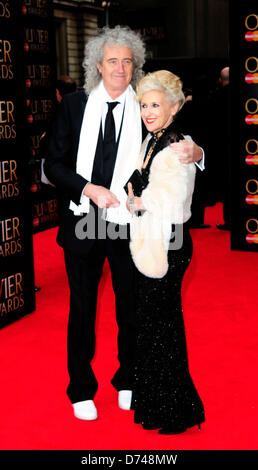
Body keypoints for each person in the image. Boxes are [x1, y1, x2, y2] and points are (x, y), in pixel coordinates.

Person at [44, 26, 204, 421]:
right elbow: (52, 165)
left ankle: (129, 378)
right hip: (83, 221)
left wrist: (198, 151)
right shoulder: (76, 105)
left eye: (127, 61)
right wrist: (88, 189)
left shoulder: (144, 105)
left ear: (135, 67)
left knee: (130, 307)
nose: (120, 68)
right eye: (112, 61)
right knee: (81, 310)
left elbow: (173, 137)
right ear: (98, 65)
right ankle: (80, 388)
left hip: (127, 224)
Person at [126, 70, 205, 434]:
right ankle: (157, 404)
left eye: (156, 104)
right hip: (154, 243)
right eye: (144, 104)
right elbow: (139, 177)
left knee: (163, 327)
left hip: (168, 246)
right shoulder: (151, 140)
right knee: (154, 326)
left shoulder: (176, 144)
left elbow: (174, 204)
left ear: (174, 106)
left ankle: (177, 411)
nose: (148, 111)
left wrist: (139, 200)